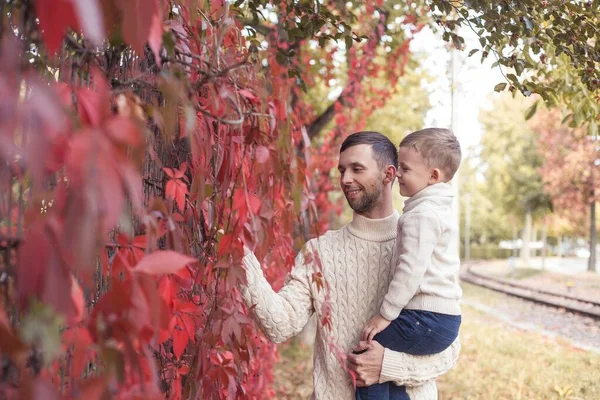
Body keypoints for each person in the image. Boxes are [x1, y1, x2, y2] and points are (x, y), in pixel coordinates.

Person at [240, 131, 460, 400]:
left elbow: (448, 351)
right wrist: (239, 254)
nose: (345, 179)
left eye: (357, 169)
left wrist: (386, 366)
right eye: (342, 170)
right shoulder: (320, 252)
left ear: (389, 174)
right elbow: (280, 325)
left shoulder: (423, 237)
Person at [358, 128, 463, 400]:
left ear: (433, 176)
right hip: (442, 318)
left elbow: (410, 270)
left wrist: (385, 314)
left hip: (426, 317)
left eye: (405, 168)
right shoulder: (436, 210)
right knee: (389, 370)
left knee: (368, 355)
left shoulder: (422, 215)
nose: (399, 174)